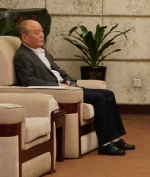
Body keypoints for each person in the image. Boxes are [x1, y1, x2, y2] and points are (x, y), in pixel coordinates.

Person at [14, 20, 135, 156]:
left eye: (42, 31)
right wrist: (57, 85)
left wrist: (67, 80)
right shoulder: (22, 56)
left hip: (66, 87)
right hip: (56, 91)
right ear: (24, 37)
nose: (42, 35)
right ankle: (105, 144)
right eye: (37, 33)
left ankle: (115, 139)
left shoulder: (42, 51)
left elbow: (57, 70)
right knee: (99, 98)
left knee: (108, 94)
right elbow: (28, 81)